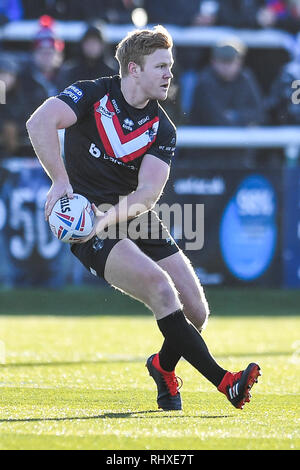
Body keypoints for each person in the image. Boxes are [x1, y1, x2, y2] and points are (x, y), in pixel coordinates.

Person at [26, 25, 261, 411]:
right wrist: (60, 182)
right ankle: (226, 381)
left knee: (197, 311)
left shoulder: (162, 127)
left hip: (129, 215)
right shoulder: (93, 94)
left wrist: (101, 220)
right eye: (161, 66)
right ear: (133, 69)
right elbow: (39, 122)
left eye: (171, 65)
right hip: (88, 226)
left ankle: (162, 367)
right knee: (161, 289)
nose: (170, 73)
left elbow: (147, 195)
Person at [58, 24, 115, 89]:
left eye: (95, 42)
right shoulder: (70, 72)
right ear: (82, 45)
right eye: (88, 42)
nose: (91, 46)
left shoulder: (112, 73)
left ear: (102, 45)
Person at [0, 55, 29, 157]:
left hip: (22, 142)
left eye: (7, 74)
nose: (3, 78)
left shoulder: (22, 93)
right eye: (1, 74)